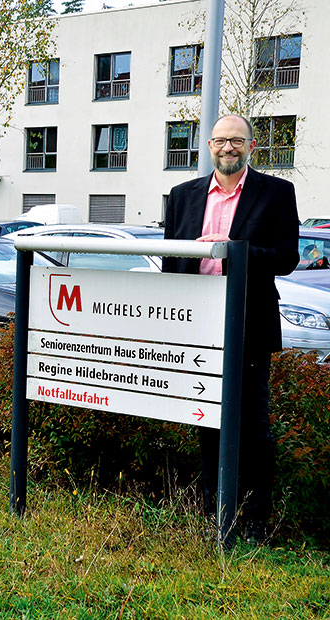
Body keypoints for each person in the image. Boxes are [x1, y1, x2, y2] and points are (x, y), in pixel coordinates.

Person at [162, 114, 300, 544]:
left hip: (249, 324)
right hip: (196, 324)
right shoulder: (182, 196)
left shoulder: (276, 192)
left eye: (237, 141)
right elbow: (170, 260)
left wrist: (231, 252)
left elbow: (286, 257)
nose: (228, 148)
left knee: (254, 427)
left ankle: (256, 521)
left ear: (251, 147)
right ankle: (214, 512)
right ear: (208, 146)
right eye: (221, 140)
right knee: (205, 419)